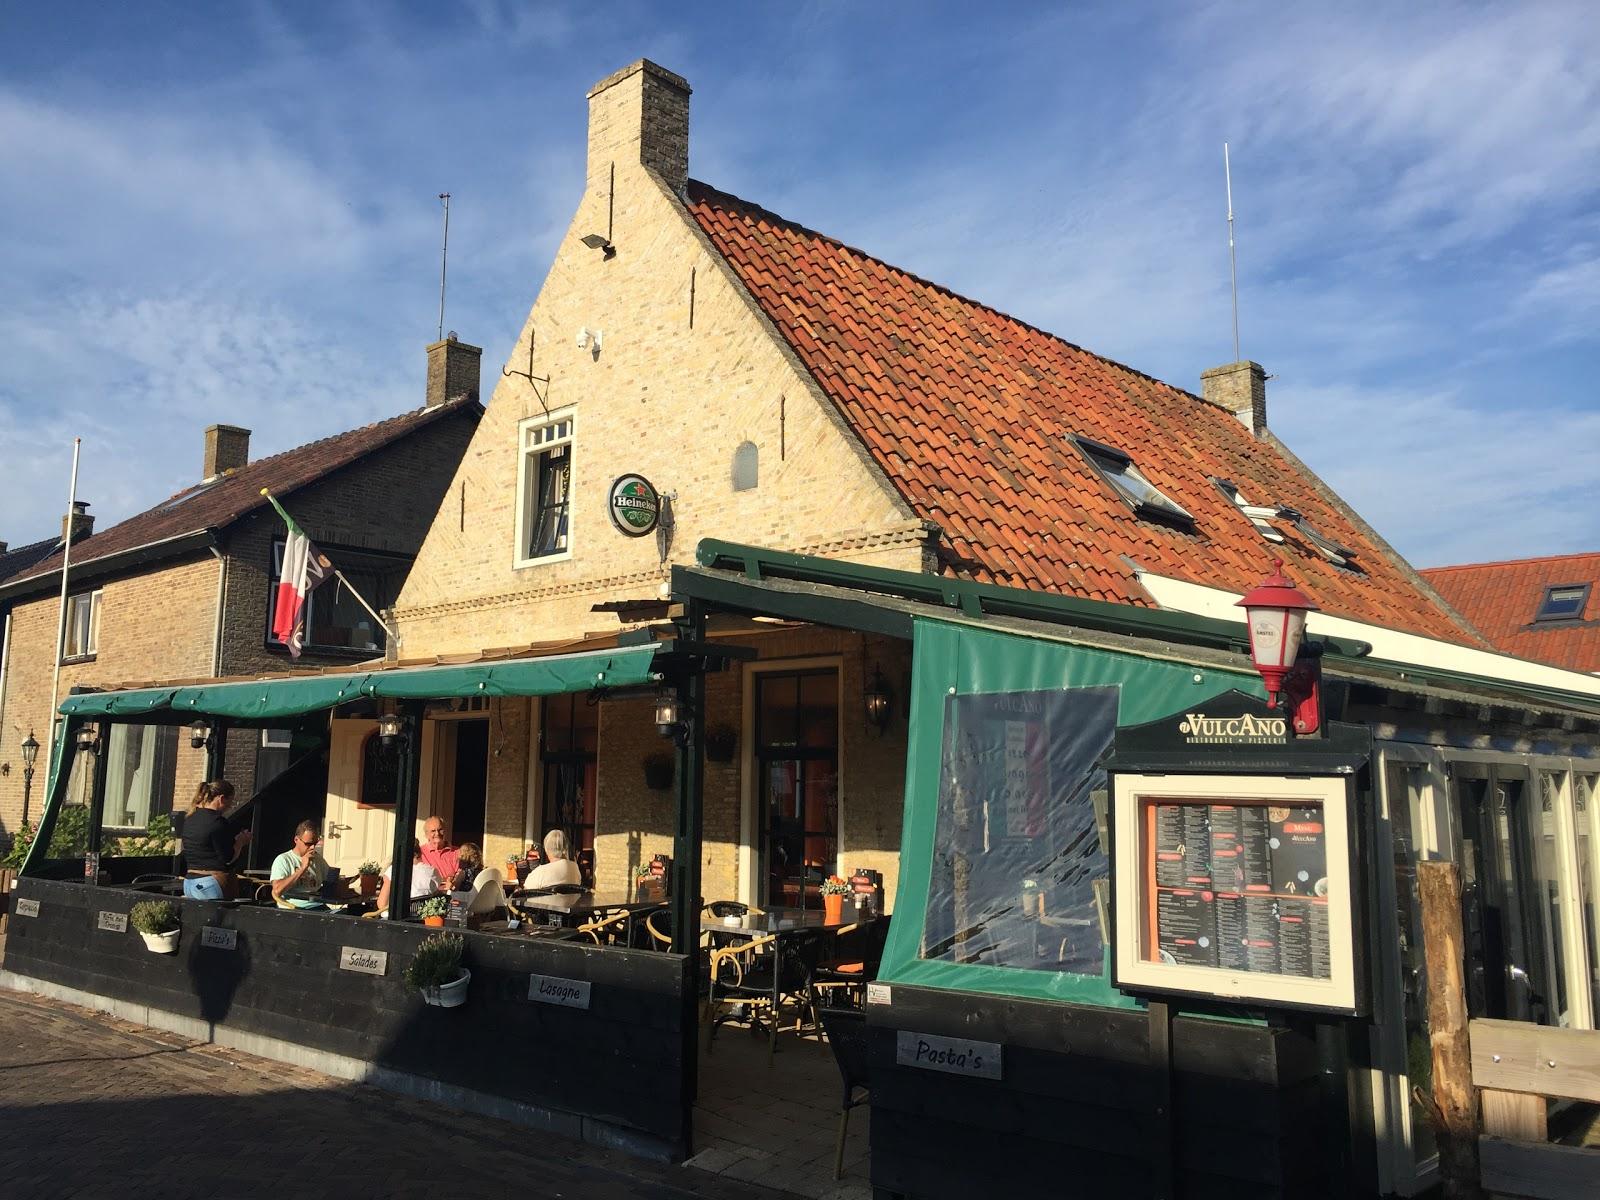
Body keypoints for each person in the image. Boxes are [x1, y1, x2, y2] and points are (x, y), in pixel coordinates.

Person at [181, 780, 250, 900]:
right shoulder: (218, 822)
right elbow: (228, 859)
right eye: (230, 801)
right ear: (221, 798)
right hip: (211, 883)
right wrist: (240, 842)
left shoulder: (190, 819)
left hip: (189, 883)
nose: (229, 806)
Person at [374, 839, 442, 917]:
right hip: (422, 917)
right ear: (419, 853)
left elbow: (381, 904)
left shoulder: (394, 870)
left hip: (394, 918)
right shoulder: (432, 871)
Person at [270, 820, 329, 909]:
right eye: (308, 844)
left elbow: (331, 883)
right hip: (296, 908)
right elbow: (277, 891)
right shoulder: (284, 860)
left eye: (315, 843)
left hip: (319, 906)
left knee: (347, 913)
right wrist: (302, 868)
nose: (312, 847)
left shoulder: (318, 859)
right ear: (296, 840)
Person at [420, 816, 459, 883]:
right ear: (426, 834)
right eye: (433, 831)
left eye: (440, 830)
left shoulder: (457, 852)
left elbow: (461, 876)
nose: (437, 833)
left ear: (445, 831)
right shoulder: (420, 853)